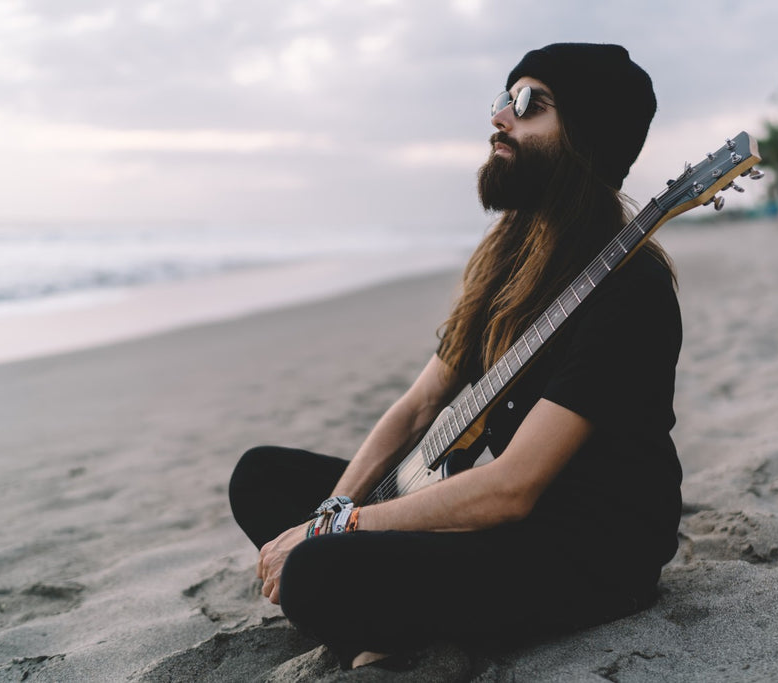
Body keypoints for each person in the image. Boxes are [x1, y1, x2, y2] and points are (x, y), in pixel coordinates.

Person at [229, 42, 683, 667]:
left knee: (316, 573)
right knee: (260, 476)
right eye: (504, 98)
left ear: (585, 135)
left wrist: (329, 536)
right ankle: (386, 622)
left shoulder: (630, 286)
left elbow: (513, 488)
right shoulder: (508, 257)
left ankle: (385, 626)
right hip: (493, 516)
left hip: (586, 548)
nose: (501, 117)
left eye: (529, 103)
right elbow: (419, 408)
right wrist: (335, 511)